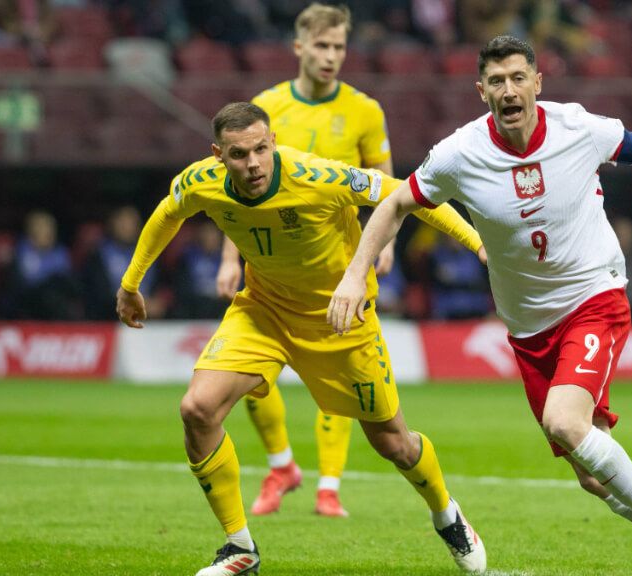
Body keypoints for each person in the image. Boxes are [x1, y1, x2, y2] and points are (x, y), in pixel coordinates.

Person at [330, 35, 632, 576]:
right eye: (496, 81)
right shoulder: (459, 153)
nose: (508, 90)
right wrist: (355, 275)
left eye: (518, 78)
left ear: (538, 82)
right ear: (481, 91)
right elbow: (395, 202)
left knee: (564, 421)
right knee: (593, 474)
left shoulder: (578, 129)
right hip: (528, 328)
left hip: (593, 295)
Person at [116, 102, 487, 576]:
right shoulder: (200, 181)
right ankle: (239, 547)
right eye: (237, 154)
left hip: (339, 320)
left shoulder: (319, 177)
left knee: (394, 443)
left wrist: (477, 245)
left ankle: (445, 513)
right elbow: (168, 214)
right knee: (197, 409)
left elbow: (407, 196)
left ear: (272, 142)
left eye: (260, 149)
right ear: (217, 155)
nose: (252, 163)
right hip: (263, 311)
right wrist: (131, 284)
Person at [214, 3, 400, 519]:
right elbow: (241, 195)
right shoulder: (266, 108)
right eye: (321, 46)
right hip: (270, 264)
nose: (331, 56)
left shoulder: (365, 110)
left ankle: (329, 486)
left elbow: (388, 190)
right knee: (249, 373)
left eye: (339, 47)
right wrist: (230, 259)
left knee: (339, 377)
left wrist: (383, 249)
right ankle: (281, 466)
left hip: (337, 264)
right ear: (298, 48)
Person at [7, 210, 81, 320]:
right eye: (42, 227)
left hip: (56, 306)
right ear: (31, 231)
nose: (48, 232)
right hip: (28, 305)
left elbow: (69, 284)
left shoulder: (61, 253)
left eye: (50, 228)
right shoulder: (20, 253)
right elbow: (18, 287)